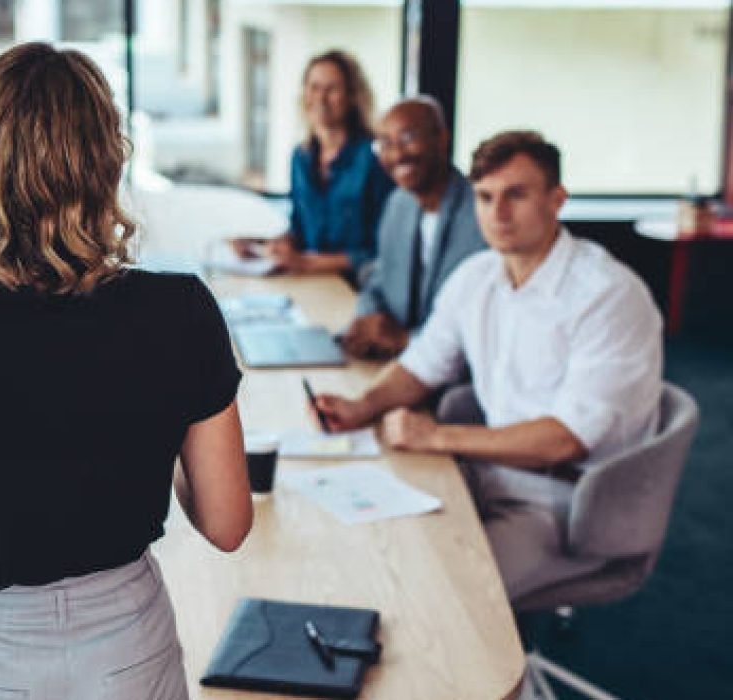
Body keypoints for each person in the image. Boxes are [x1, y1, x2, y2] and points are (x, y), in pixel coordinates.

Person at [0, 43, 253, 700]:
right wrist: (156, 410)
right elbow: (226, 522)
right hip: (129, 652)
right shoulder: (183, 309)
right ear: (108, 162)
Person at [313, 131, 663, 599]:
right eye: (485, 196)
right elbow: (422, 364)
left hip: (569, 504)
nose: (497, 214)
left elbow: (565, 440)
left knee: (442, 599)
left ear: (556, 200)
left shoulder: (607, 295)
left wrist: (436, 437)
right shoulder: (476, 277)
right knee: (371, 551)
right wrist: (363, 405)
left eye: (516, 195)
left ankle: (499, 671)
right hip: (485, 474)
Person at [341, 97, 486, 359]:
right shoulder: (398, 204)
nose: (396, 153)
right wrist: (370, 317)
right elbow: (378, 278)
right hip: (397, 362)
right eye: (385, 143)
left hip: (451, 371)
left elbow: (482, 323)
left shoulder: (483, 214)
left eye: (408, 137)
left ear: (441, 139)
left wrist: (407, 340)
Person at [231, 50, 393, 278]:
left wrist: (307, 264)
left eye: (332, 89)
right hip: (312, 282)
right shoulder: (300, 158)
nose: (320, 98)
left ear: (352, 96)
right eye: (314, 87)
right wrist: (266, 245)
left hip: (358, 287)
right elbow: (300, 229)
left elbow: (383, 250)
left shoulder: (375, 158)